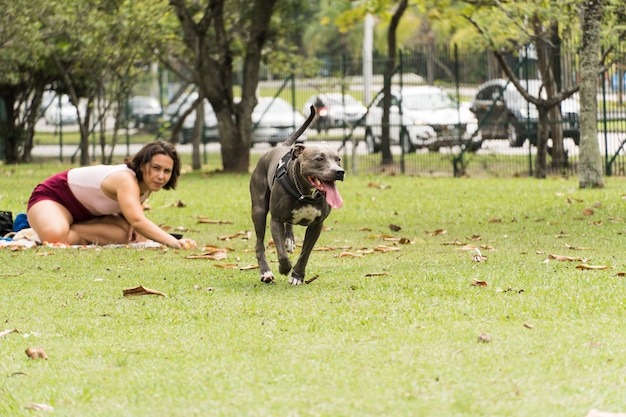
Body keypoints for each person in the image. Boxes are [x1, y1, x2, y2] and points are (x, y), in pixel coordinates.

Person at [27, 141, 197, 249]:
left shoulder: (147, 186)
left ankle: (70, 231)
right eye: (156, 168)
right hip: (54, 198)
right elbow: (137, 220)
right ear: (143, 165)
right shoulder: (126, 179)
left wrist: (133, 226)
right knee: (54, 237)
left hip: (86, 215)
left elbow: (133, 216)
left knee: (127, 236)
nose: (161, 176)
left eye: (167, 171)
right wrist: (173, 242)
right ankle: (57, 228)